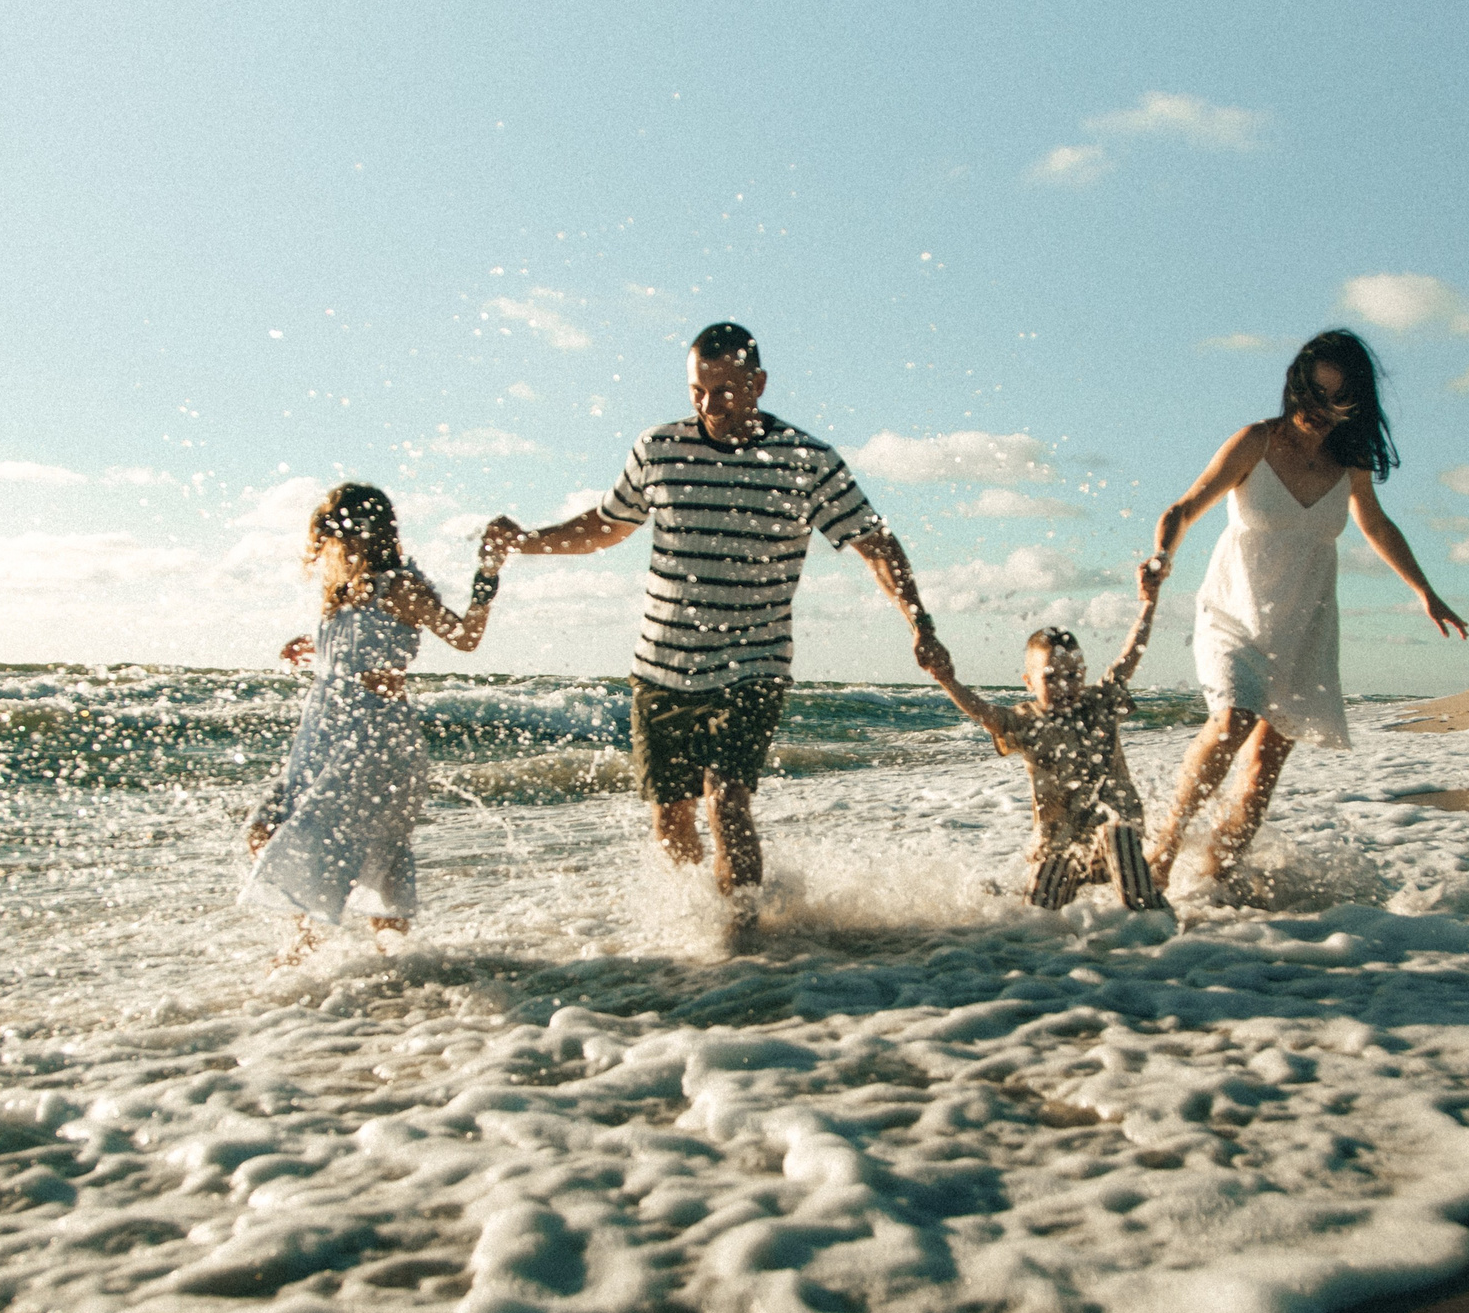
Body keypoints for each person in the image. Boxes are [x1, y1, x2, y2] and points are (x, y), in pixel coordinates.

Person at [490, 322, 946, 895]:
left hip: (753, 665)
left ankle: (745, 945)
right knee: (671, 816)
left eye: (725, 391)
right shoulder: (659, 449)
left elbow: (874, 542)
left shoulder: (806, 460)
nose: (710, 405)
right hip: (661, 666)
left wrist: (919, 622)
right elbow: (607, 526)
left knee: (725, 799)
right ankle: (699, 952)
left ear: (757, 383)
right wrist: (526, 541)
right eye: (697, 392)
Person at [1145, 328, 1467, 888]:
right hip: (1234, 611)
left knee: (1263, 771)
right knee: (1230, 724)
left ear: (1355, 402)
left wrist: (1425, 590)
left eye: (1336, 398)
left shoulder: (1351, 461)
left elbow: (1375, 522)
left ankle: (1214, 884)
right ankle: (1162, 852)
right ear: (1296, 387)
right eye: (1313, 394)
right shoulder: (1256, 442)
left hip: (1304, 624)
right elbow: (1186, 505)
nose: (1320, 410)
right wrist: (1159, 558)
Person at [242, 483, 516, 947]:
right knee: (274, 828)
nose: (332, 546)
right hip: (324, 735)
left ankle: (323, 952)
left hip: (374, 737)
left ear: (365, 533)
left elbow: (465, 636)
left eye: (336, 534)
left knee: (356, 846)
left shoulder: (401, 586)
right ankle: (377, 957)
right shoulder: (341, 592)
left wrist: (488, 570)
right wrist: (314, 647)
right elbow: (359, 644)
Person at [922, 556, 1173, 914]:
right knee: (1038, 918)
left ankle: (1155, 925)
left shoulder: (1100, 703)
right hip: (1060, 845)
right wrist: (946, 679)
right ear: (1029, 682)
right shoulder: (1026, 721)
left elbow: (1131, 653)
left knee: (1118, 830)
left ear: (1084, 674)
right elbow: (984, 713)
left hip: (1115, 844)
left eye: (1073, 676)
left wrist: (1149, 603)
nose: (1064, 686)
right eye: (1051, 677)